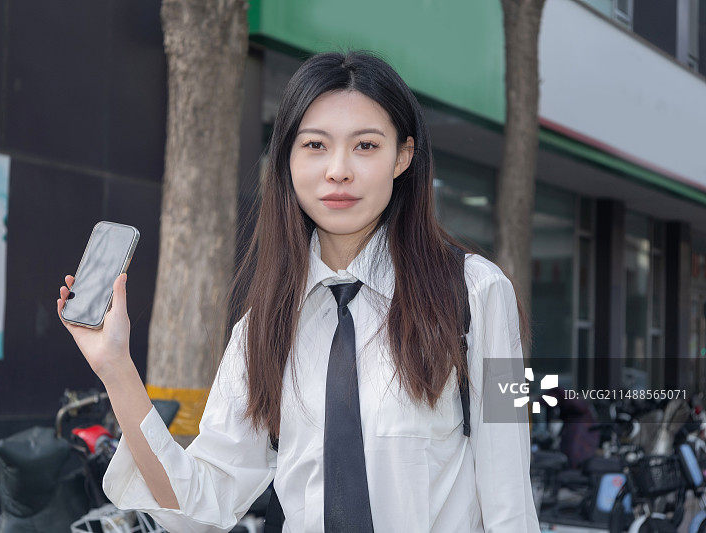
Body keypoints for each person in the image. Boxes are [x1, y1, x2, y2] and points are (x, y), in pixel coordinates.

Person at [57, 51, 540, 533]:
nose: (338, 170)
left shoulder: (480, 293)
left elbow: (511, 496)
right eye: (314, 145)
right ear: (287, 157)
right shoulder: (262, 328)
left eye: (366, 145)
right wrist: (116, 368)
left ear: (403, 156)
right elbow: (200, 506)